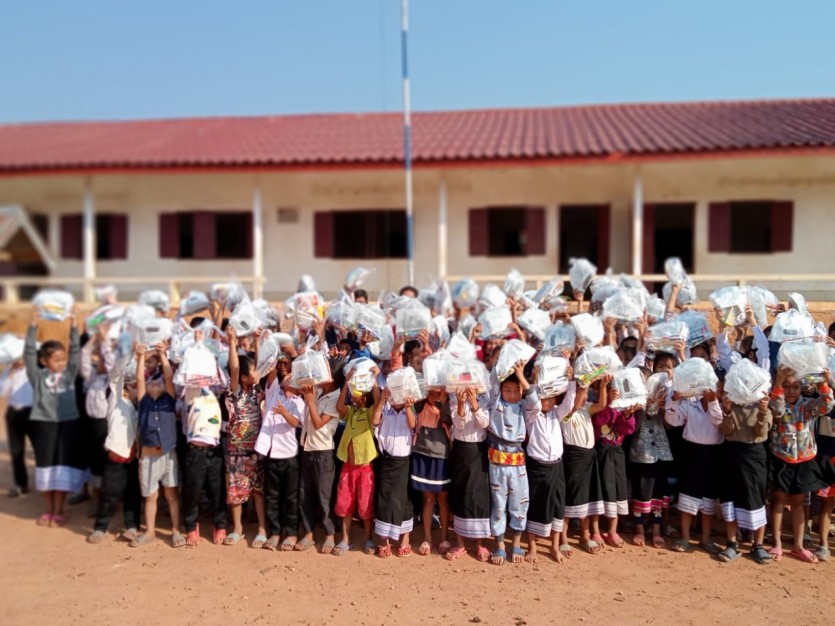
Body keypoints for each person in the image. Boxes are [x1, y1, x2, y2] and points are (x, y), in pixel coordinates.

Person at [24, 307, 84, 527]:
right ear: (44, 361)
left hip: (68, 424)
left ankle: (59, 510)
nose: (61, 363)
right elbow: (29, 354)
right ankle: (48, 510)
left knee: (62, 467)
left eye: (62, 359)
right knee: (45, 466)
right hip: (44, 425)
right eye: (56, 359)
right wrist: (33, 326)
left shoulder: (69, 375)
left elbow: (75, 352)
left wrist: (74, 327)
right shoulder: (37, 377)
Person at [768, 366, 834, 563]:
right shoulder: (777, 401)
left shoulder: (808, 405)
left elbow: (827, 405)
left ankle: (798, 546)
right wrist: (778, 382)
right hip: (781, 457)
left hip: (804, 459)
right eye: (787, 387)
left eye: (796, 387)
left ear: (802, 388)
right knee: (779, 501)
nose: (791, 391)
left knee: (798, 503)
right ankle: (777, 543)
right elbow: (776, 410)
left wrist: (823, 383)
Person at [486, 362, 537, 565]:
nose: (513, 394)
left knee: (519, 503)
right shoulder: (495, 403)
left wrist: (521, 375)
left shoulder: (524, 407)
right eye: (508, 390)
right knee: (498, 504)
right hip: (497, 461)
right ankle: (499, 546)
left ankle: (516, 544)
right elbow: (492, 382)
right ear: (501, 390)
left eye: (517, 390)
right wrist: (503, 362)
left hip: (517, 462)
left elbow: (535, 401)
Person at [133, 343, 184, 547]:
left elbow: (169, 376)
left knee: (171, 493)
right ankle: (150, 531)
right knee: (150, 495)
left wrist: (163, 354)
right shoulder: (143, 401)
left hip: (168, 453)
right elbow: (139, 378)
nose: (155, 383)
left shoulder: (169, 400)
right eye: (151, 382)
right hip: (148, 455)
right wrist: (140, 357)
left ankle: (176, 531)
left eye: (159, 382)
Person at [665, 380, 723, 554]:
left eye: (717, 389)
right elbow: (672, 420)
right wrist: (675, 400)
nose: (711, 391)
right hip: (691, 453)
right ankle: (685, 537)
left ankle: (705, 538)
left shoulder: (722, 408)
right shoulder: (691, 405)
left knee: (708, 498)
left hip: (713, 455)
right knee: (688, 496)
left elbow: (717, 421)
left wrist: (713, 401)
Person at [524, 370, 575, 563]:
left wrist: (570, 380)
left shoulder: (556, 413)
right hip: (537, 468)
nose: (549, 401)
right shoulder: (531, 415)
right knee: (535, 505)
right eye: (545, 397)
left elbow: (569, 404)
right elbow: (535, 403)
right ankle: (532, 546)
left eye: (552, 397)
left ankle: (554, 546)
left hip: (556, 467)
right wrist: (536, 381)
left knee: (557, 506)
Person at [717, 393, 773, 564]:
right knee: (730, 499)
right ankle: (732, 544)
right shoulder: (729, 405)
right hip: (732, 453)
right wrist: (727, 411)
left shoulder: (764, 406)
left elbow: (760, 432)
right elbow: (727, 431)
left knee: (756, 498)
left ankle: (758, 545)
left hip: (755, 454)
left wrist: (762, 410)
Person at [224, 326, 267, 548]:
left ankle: (262, 528)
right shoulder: (236, 393)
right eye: (252, 371)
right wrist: (232, 340)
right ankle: (238, 529)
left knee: (259, 491)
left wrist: (257, 341)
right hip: (237, 450)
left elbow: (259, 365)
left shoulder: (257, 390)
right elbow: (234, 367)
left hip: (257, 449)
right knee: (236, 490)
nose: (257, 373)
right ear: (242, 377)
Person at [297, 363, 344, 554]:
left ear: (332, 379)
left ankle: (329, 535)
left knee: (324, 497)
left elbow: (317, 423)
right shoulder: (317, 391)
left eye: (324, 373)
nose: (319, 375)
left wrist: (309, 401)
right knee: (305, 494)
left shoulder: (335, 398)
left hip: (323, 451)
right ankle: (308, 533)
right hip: (307, 448)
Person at [87, 376, 141, 544]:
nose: (134, 389)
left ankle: (132, 527)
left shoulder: (139, 407)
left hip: (133, 458)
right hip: (116, 459)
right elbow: (116, 378)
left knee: (132, 493)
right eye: (130, 387)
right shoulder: (115, 405)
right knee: (109, 494)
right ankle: (100, 528)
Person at [332, 372, 379, 556]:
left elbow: (377, 404)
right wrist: (346, 383)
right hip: (348, 467)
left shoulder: (368, 414)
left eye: (357, 395)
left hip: (364, 468)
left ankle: (368, 538)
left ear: (363, 399)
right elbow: (339, 406)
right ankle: (345, 539)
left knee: (365, 504)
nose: (353, 396)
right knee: (345, 503)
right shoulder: (351, 412)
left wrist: (375, 381)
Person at [257, 374, 304, 551]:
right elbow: (271, 372)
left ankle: (291, 533)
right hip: (271, 454)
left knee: (291, 497)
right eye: (287, 375)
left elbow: (295, 422)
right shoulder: (274, 393)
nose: (288, 377)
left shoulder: (298, 402)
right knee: (272, 496)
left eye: (293, 375)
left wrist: (284, 412)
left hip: (289, 455)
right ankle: (275, 532)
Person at [445, 387, 491, 562]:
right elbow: (459, 424)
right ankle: (460, 544)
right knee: (460, 495)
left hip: (478, 450)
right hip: (460, 450)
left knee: (478, 497)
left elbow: (485, 423)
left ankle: (480, 543)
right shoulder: (454, 395)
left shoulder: (485, 397)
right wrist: (461, 403)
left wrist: (474, 403)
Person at [591, 375, 636, 549]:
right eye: (604, 389)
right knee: (598, 490)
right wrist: (609, 403)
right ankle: (595, 530)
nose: (612, 393)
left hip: (617, 452)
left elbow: (627, 429)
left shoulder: (623, 406)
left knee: (617, 490)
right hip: (600, 451)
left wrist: (628, 414)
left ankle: (612, 530)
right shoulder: (595, 405)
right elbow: (600, 420)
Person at [629, 367, 673, 549]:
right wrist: (640, 408)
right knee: (640, 492)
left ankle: (656, 530)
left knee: (658, 493)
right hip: (641, 454)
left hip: (660, 454)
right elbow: (632, 429)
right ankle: (639, 529)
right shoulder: (632, 401)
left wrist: (663, 407)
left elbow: (670, 426)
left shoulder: (663, 399)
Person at [371, 386, 416, 557]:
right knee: (385, 498)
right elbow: (375, 421)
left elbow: (413, 425)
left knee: (404, 500)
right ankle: (384, 541)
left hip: (404, 462)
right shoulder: (385, 410)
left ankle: (404, 539)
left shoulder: (409, 411)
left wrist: (408, 407)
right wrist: (382, 400)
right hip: (387, 461)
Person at [560, 382, 605, 554]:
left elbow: (601, 405)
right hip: (573, 457)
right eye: (580, 391)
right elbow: (575, 405)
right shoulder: (564, 411)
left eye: (585, 392)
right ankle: (563, 538)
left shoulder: (586, 409)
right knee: (571, 497)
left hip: (589, 457)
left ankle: (585, 536)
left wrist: (603, 386)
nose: (584, 395)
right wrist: (584, 384)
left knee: (587, 497)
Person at [181, 384, 227, 546]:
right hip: (195, 451)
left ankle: (220, 525)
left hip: (214, 450)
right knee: (192, 491)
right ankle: (191, 527)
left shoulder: (216, 388)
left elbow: (228, 381)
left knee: (217, 490)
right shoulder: (189, 389)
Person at [410, 387, 452, 556]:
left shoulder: (447, 406)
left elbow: (449, 420)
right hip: (422, 454)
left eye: (438, 392)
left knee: (442, 498)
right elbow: (414, 409)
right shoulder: (420, 405)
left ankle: (444, 537)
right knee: (427, 498)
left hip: (442, 456)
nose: (434, 395)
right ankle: (427, 537)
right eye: (431, 392)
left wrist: (443, 400)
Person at [1, 353, 33, 497]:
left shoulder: (34, 370)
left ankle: (46, 484)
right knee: (16, 450)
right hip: (14, 412)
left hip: (32, 412)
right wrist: (11, 373)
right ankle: (21, 484)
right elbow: (2, 391)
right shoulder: (8, 370)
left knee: (40, 448)